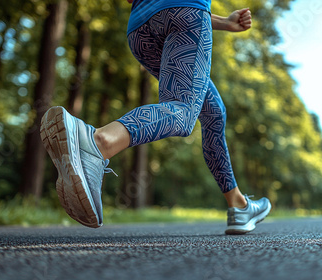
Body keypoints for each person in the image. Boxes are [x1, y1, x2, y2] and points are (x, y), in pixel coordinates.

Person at [40, 0, 271, 235]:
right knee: (181, 110)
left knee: (213, 111)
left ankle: (238, 204)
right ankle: (97, 141)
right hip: (185, 14)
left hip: (141, 29)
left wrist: (223, 22)